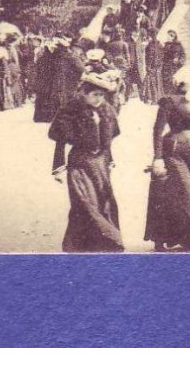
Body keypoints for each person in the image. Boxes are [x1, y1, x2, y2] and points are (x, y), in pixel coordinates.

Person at [144, 65, 190, 252]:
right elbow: (158, 130)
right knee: (184, 192)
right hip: (174, 151)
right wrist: (158, 158)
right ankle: (188, 238)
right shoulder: (169, 101)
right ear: (185, 82)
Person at [49, 73, 124, 252]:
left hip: (101, 164)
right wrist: (58, 167)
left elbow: (108, 139)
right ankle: (85, 242)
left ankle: (101, 242)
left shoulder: (106, 109)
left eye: (101, 95)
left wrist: (110, 159)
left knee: (102, 201)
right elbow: (60, 141)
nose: (99, 99)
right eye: (94, 95)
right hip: (79, 163)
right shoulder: (70, 110)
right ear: (84, 93)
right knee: (83, 202)